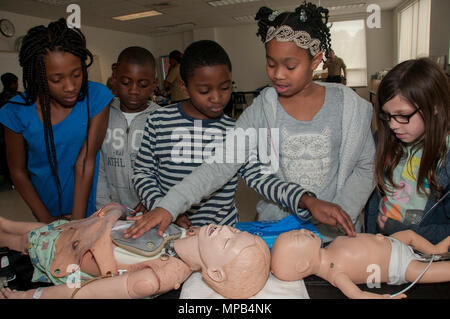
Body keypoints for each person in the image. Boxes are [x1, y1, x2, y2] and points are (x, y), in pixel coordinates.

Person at [124, 2, 374, 241]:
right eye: (271, 63)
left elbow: (365, 167)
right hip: (279, 229)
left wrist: (341, 212)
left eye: (290, 66)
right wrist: (168, 206)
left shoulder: (350, 107)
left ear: (316, 60)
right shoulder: (263, 109)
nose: (277, 74)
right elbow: (220, 164)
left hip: (338, 230)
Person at [0, 203, 270, 299]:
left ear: (214, 273)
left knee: (20, 238)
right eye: (235, 231)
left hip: (58, 253)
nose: (226, 230)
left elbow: (87, 292)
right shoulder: (187, 233)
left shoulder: (153, 278)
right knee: (13, 227)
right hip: (71, 230)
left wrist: (32, 296)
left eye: (227, 242)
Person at [0, 18, 113, 223]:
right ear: (38, 77)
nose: (70, 86)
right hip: (45, 206)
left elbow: (85, 162)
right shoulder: (15, 112)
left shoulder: (97, 97)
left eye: (77, 74)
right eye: (56, 80)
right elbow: (17, 171)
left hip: (91, 206)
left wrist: (76, 223)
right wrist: (47, 220)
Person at [364, 58, 449, 244]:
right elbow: (374, 203)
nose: (393, 125)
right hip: (384, 248)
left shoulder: (445, 155)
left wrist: (399, 230)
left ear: (434, 106)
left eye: (403, 115)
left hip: (426, 260)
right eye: (387, 115)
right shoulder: (386, 139)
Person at [270, 228, 450, 299]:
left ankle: (435, 250)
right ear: (303, 264)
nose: (302, 229)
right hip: (399, 266)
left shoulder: (330, 246)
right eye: (297, 235)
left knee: (409, 234)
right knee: (431, 272)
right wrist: (385, 297)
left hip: (394, 241)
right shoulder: (335, 274)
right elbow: (358, 295)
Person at [96, 46, 160, 213]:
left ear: (154, 83)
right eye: (126, 82)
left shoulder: (162, 118)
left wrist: (153, 199)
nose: (133, 90)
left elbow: (167, 168)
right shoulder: (103, 114)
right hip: (109, 206)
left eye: (143, 84)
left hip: (150, 208)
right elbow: (98, 164)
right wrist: (104, 206)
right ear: (115, 79)